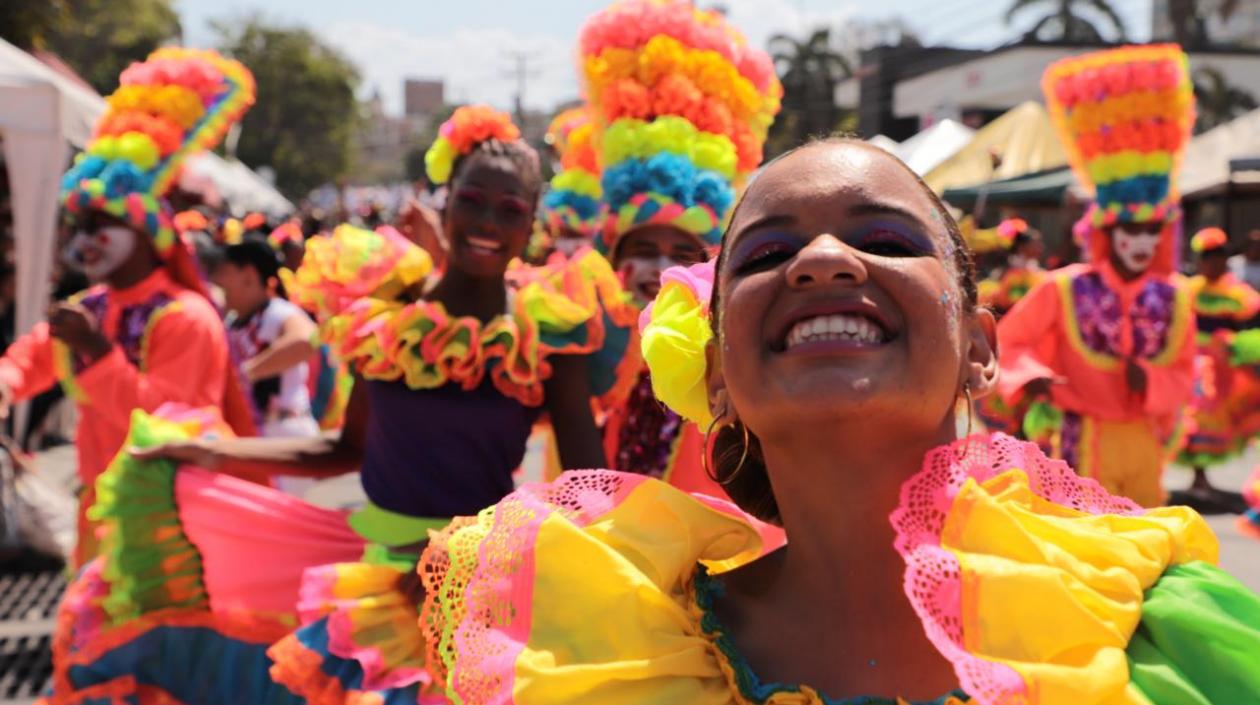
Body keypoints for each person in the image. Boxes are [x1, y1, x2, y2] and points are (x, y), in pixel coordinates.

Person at [414, 135, 1260, 704]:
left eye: (887, 239)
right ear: (714, 374)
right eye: (768, 254)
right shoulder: (581, 650)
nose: (821, 260)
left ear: (978, 347)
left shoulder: (1159, 630)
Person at [41, 105, 610, 705]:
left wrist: (480, 549)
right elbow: (342, 447)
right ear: (445, 201)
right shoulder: (384, 320)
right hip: (368, 577)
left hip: (481, 590)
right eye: (471, 200)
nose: (487, 221)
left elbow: (584, 490)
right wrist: (208, 452)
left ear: (532, 226)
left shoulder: (547, 332)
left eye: (511, 209)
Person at [0, 47, 256, 567]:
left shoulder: (186, 317)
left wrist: (96, 349)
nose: (83, 242)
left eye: (100, 226)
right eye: (78, 227)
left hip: (171, 529)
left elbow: (168, 421)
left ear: (144, 233)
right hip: (99, 524)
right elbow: (27, 362)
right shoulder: (89, 306)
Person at [573, 0, 782, 494]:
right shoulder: (593, 335)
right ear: (616, 259)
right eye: (643, 248)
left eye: (682, 253)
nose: (661, 269)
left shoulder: (732, 356)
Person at [997, 45, 1198, 508]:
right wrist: (1033, 376)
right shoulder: (1065, 287)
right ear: (1109, 232)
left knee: (1145, 544)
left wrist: (1147, 379)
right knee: (1085, 544)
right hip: (1079, 440)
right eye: (1131, 230)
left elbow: (1185, 373)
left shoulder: (1174, 297)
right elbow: (1012, 341)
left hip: (1144, 444)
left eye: (1151, 231)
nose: (1141, 242)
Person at [1177, 227, 1260, 513]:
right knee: (1197, 417)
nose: (1215, 261)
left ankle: (1202, 478)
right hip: (1193, 365)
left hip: (1224, 367)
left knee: (1223, 416)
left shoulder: (1237, 294)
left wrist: (1236, 347)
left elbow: (1244, 331)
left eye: (1220, 255)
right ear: (1198, 260)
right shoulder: (1186, 291)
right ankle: (1199, 477)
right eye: (1208, 256)